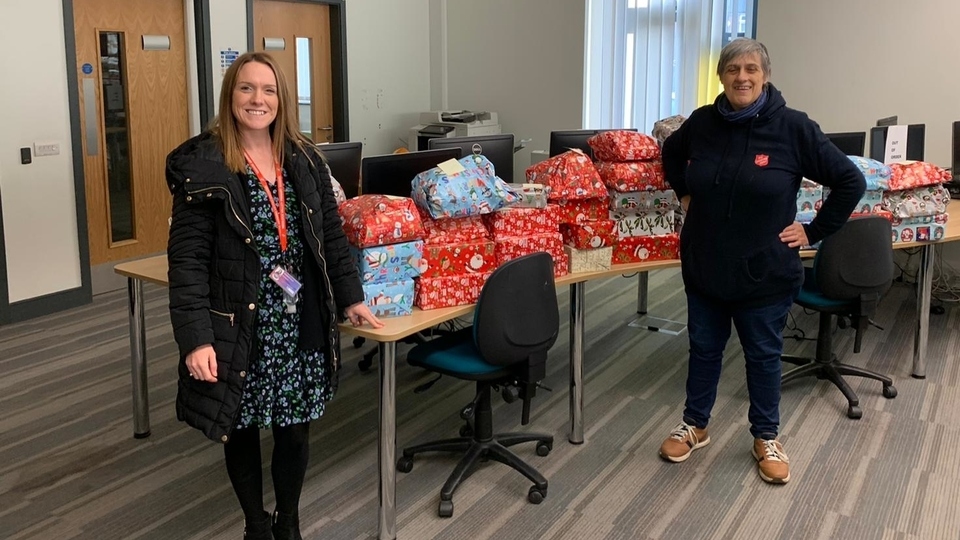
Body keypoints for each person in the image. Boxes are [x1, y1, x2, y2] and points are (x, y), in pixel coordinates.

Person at [165, 51, 383, 539]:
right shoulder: (204, 165)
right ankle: (255, 524)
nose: (257, 99)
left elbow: (328, 233)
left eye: (268, 90)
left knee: (295, 425)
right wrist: (196, 338)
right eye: (246, 88)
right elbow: (188, 264)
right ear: (230, 96)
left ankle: (288, 520)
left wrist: (351, 296)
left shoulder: (303, 157)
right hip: (240, 321)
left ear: (282, 98)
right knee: (240, 426)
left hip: (298, 311)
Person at [659, 38, 865, 484]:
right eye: (733, 69)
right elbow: (672, 153)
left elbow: (850, 180)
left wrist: (813, 230)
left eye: (751, 69)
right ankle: (695, 424)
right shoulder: (702, 122)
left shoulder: (793, 128)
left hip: (764, 271)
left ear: (766, 76)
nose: (742, 77)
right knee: (704, 349)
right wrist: (684, 191)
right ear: (721, 76)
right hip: (706, 264)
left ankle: (766, 437)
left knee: (763, 357)